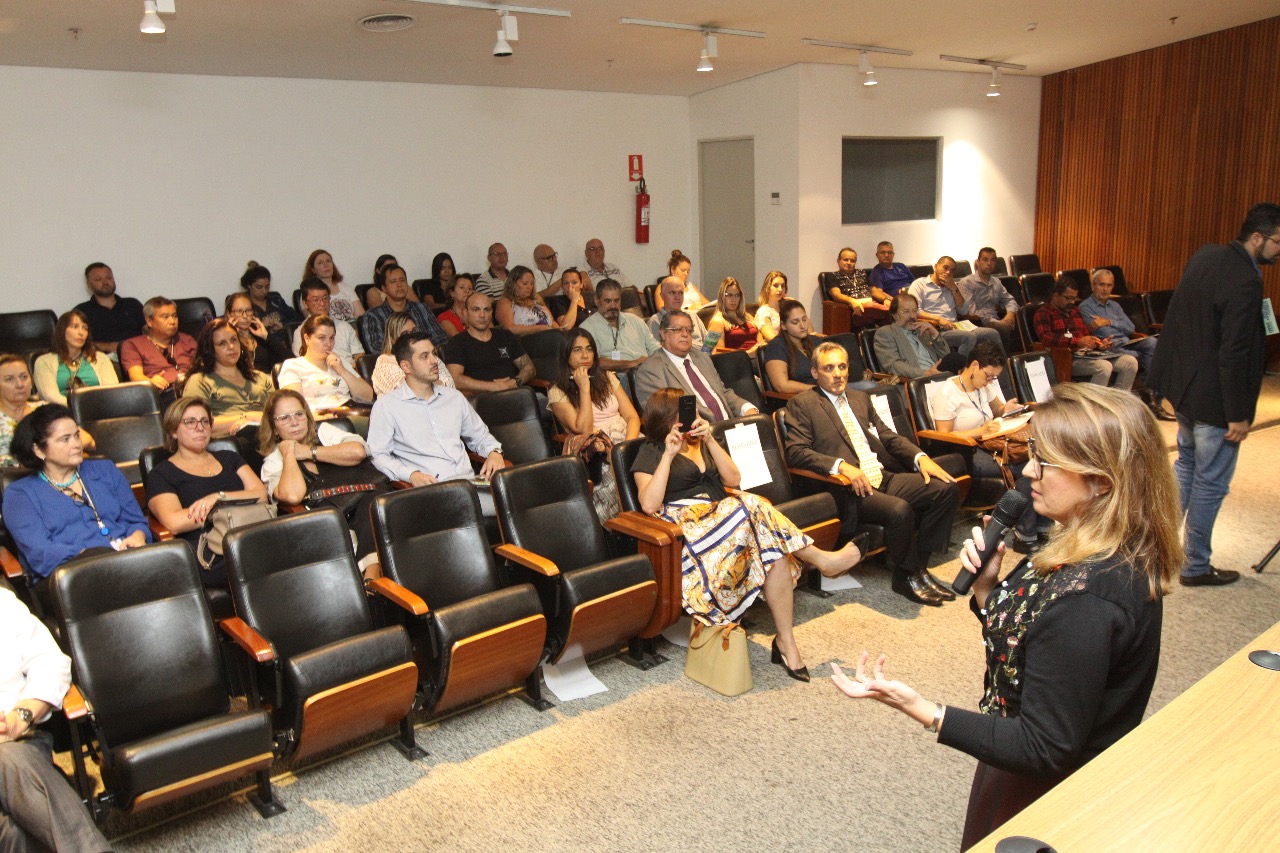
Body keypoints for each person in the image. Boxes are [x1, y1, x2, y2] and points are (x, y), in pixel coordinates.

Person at [831, 383, 1183, 848]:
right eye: (1032, 452)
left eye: (1047, 462)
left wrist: (920, 708)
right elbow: (1038, 644)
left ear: (1101, 481)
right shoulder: (1090, 544)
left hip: (1045, 793)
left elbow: (1041, 746)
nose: (1029, 470)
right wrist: (986, 589)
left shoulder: (1089, 599)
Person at [631, 387, 863, 681]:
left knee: (774, 554)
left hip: (726, 519)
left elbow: (734, 479)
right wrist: (668, 455)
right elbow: (649, 504)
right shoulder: (650, 450)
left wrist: (710, 439)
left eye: (692, 411)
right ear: (664, 418)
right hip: (688, 531)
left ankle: (786, 643)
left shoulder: (702, 443)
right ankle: (821, 560)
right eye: (683, 413)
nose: (691, 418)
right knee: (751, 503)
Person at [1149, 202, 1278, 587]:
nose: (1278, 250)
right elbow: (1235, 353)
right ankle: (1195, 565)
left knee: (1186, 467)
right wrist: (1238, 413)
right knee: (1211, 482)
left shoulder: (1207, 255)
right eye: (1276, 241)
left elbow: (1182, 321)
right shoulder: (1246, 280)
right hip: (1216, 401)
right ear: (1256, 238)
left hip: (1186, 391)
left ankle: (1159, 549)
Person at [784, 342, 961, 606]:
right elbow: (796, 452)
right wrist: (841, 466)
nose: (837, 374)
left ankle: (917, 568)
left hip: (880, 474)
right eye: (829, 368)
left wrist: (920, 458)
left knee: (946, 488)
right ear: (814, 373)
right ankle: (905, 577)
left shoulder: (859, 398)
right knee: (900, 510)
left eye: (842, 366)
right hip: (847, 488)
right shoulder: (803, 404)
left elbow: (887, 437)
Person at [0, 585, 113, 853]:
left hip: (19, 744)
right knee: (11, 834)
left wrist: (21, 716)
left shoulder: (3, 604)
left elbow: (53, 663)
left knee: (8, 758)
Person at [4, 404, 150, 590]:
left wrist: (137, 536)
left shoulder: (104, 470)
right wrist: (93, 555)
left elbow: (136, 520)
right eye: (65, 439)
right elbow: (41, 553)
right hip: (69, 576)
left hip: (127, 559)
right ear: (39, 450)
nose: (76, 444)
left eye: (76, 435)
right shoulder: (20, 494)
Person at [928, 342, 1047, 553]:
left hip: (990, 443)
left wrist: (1007, 410)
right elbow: (943, 436)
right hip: (964, 452)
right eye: (989, 376)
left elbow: (998, 409)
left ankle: (1042, 525)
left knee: (1036, 461)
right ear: (974, 365)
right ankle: (1025, 535)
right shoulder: (948, 393)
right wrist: (980, 431)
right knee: (1023, 470)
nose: (991, 381)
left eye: (994, 378)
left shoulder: (983, 386)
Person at [369, 331, 506, 515]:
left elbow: (480, 436)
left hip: (470, 485)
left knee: (523, 501)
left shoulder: (454, 397)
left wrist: (494, 452)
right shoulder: (387, 406)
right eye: (424, 356)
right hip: (431, 493)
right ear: (406, 366)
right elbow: (378, 454)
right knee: (513, 510)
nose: (434, 361)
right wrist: (410, 475)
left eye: (434, 353)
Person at [258, 389, 386, 578]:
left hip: (366, 501)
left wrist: (309, 452)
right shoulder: (274, 461)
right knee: (373, 507)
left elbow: (357, 452)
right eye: (284, 418)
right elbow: (293, 496)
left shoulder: (324, 432)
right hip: (333, 519)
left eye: (299, 414)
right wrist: (289, 453)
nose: (294, 422)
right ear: (274, 426)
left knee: (375, 504)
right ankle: (373, 580)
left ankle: (372, 579)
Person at [146, 398, 268, 588]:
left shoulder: (229, 457)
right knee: (268, 561)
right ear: (173, 431)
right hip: (209, 548)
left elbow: (260, 494)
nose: (200, 427)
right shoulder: (161, 474)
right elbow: (175, 522)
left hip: (250, 533)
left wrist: (217, 499)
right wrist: (222, 510)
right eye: (190, 422)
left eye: (205, 421)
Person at [634, 311, 758, 423]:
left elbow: (722, 392)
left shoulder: (702, 358)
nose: (685, 334)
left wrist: (746, 408)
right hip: (694, 437)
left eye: (689, 330)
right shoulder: (650, 370)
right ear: (663, 333)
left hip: (730, 427)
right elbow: (662, 416)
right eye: (677, 329)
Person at [1079, 268, 1170, 419]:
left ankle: (1152, 393)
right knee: (1136, 356)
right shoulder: (1085, 307)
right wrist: (1116, 325)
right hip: (1109, 345)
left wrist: (1108, 321)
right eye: (1101, 285)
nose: (1105, 289)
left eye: (1109, 285)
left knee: (1152, 343)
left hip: (1127, 341)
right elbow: (1101, 332)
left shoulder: (1115, 306)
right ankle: (1148, 399)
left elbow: (1130, 327)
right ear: (1093, 285)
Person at [1034, 280, 1138, 389]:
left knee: (1130, 362)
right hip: (1067, 359)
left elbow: (1086, 334)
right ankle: (1093, 405)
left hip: (1087, 355)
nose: (1072, 302)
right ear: (1056, 295)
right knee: (1104, 367)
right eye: (1068, 298)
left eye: (1074, 298)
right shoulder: (1044, 313)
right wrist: (1077, 341)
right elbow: (1046, 338)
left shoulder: (1075, 311)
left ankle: (1119, 403)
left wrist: (1099, 343)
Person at [182, 318, 274, 437]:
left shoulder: (259, 377)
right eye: (222, 343)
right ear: (209, 349)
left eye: (234, 340)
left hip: (269, 437)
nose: (231, 346)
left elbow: (279, 413)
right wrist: (246, 419)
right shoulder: (200, 381)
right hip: (231, 443)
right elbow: (195, 425)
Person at [908, 256, 1005, 357]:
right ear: (936, 267)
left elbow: (963, 311)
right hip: (935, 329)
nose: (948, 272)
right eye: (945, 268)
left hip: (955, 327)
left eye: (952, 270)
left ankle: (1004, 372)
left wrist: (954, 288)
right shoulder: (920, 284)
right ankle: (961, 368)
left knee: (992, 333)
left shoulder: (952, 286)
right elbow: (914, 310)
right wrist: (939, 319)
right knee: (968, 337)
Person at [279, 316, 374, 416]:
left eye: (332, 338)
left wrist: (342, 371)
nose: (329, 344)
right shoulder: (293, 366)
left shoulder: (339, 362)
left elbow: (367, 396)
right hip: (320, 418)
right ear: (307, 338)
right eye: (322, 338)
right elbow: (294, 407)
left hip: (349, 411)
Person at [445, 292, 535, 396]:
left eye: (487, 310)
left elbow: (529, 368)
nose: (482, 315)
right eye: (476, 309)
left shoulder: (505, 336)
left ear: (491, 313)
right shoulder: (457, 343)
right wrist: (492, 387)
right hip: (482, 401)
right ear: (466, 313)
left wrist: (514, 383)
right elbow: (455, 379)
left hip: (517, 394)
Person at [119, 297, 198, 405]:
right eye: (165, 317)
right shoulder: (132, 345)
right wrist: (150, 382)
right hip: (161, 396)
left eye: (174, 316)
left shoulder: (186, 340)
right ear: (149, 321)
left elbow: (204, 366)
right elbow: (136, 376)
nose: (172, 321)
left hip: (193, 390)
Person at [33, 309, 120, 405]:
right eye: (75, 327)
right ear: (62, 330)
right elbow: (50, 396)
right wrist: (79, 408)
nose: (81, 333)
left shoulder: (101, 358)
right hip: (61, 413)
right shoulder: (44, 362)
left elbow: (112, 392)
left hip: (98, 411)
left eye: (85, 328)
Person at [873, 293, 966, 379]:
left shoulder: (922, 330)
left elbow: (945, 355)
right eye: (906, 311)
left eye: (914, 311)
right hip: (916, 380)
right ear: (894, 315)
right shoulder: (886, 333)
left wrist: (935, 335)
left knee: (957, 359)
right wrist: (925, 373)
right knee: (956, 359)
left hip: (938, 374)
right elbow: (893, 365)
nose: (912, 316)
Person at [360, 264, 448, 353]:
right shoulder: (373, 315)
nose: (399, 285)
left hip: (427, 359)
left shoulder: (421, 308)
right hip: (395, 363)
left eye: (402, 280)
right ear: (384, 288)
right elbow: (376, 348)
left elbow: (440, 337)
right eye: (393, 281)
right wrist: (410, 354)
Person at [580, 278, 660, 371]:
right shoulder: (587, 328)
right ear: (596, 301)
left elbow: (655, 347)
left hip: (647, 371)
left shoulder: (635, 321)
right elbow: (593, 361)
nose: (613, 306)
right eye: (608, 301)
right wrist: (631, 364)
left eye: (616, 301)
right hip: (616, 377)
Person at [371, 312, 456, 398]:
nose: (412, 336)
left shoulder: (432, 357)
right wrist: (435, 384)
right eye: (405, 334)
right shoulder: (385, 361)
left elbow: (450, 387)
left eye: (414, 331)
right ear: (392, 339)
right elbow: (404, 392)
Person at [957, 247, 1020, 353]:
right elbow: (971, 312)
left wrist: (1010, 315)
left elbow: (1010, 300)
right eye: (985, 260)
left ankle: (1020, 361)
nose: (989, 263)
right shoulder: (967, 283)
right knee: (1002, 329)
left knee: (1019, 322)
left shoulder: (996, 282)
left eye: (993, 260)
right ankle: (1006, 364)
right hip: (976, 321)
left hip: (995, 320)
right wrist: (998, 322)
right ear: (978, 262)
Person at [74, 261, 144, 356]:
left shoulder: (132, 304)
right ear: (89, 285)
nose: (105, 282)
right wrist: (108, 346)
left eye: (109, 278)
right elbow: (75, 342)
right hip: (102, 359)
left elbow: (150, 330)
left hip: (138, 355)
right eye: (98, 279)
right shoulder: (81, 311)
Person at [292, 278, 365, 364]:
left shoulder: (344, 326)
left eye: (325, 298)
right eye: (316, 300)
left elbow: (359, 354)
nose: (322, 304)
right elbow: (303, 364)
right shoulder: (301, 332)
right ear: (305, 303)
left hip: (350, 371)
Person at [763, 299, 823, 394]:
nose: (803, 326)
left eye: (804, 319)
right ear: (783, 325)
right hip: (798, 399)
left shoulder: (816, 341)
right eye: (795, 322)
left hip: (824, 393)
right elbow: (782, 385)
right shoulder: (776, 346)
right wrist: (817, 390)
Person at [823, 247, 892, 328]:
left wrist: (885, 299)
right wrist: (851, 301)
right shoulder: (833, 276)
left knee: (891, 314)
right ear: (838, 261)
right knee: (882, 310)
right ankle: (885, 310)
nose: (849, 263)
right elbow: (836, 295)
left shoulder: (861, 273)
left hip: (870, 305)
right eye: (846, 260)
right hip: (853, 309)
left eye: (852, 261)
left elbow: (873, 291)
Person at [224, 291, 292, 372]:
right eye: (239, 311)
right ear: (229, 314)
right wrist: (229, 336)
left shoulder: (261, 335)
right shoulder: (225, 339)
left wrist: (267, 337)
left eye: (248, 310)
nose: (245, 316)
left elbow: (292, 361)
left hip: (267, 381)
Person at [240, 262, 302, 344]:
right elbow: (239, 331)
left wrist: (284, 325)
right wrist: (260, 326)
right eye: (259, 287)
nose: (264, 291)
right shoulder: (242, 304)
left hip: (284, 343)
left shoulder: (276, 300)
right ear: (249, 285)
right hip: (261, 346)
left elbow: (298, 318)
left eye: (267, 287)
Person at [647, 276, 710, 349]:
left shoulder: (693, 316)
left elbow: (708, 345)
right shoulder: (655, 321)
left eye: (680, 293)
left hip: (702, 357)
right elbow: (656, 352)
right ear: (662, 296)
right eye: (672, 293)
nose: (677, 297)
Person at [302, 248, 362, 321]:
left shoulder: (345, 287)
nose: (326, 265)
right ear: (313, 269)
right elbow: (313, 321)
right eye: (320, 263)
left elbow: (361, 315)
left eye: (328, 261)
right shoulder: (308, 292)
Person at [496, 265, 558, 335]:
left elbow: (552, 322)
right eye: (525, 283)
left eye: (531, 283)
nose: (529, 287)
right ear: (513, 284)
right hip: (524, 340)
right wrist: (539, 328)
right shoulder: (505, 302)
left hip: (550, 337)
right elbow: (509, 328)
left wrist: (560, 330)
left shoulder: (537, 300)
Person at [706, 277, 761, 353]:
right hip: (737, 362)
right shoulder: (717, 322)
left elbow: (761, 344)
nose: (733, 299)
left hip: (758, 360)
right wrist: (749, 353)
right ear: (722, 297)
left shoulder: (749, 318)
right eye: (729, 295)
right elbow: (712, 352)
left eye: (737, 295)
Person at [755, 270, 797, 343]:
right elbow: (772, 339)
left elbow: (809, 330)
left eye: (783, 286)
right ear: (767, 288)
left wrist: (795, 305)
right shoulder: (764, 312)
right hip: (778, 350)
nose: (780, 289)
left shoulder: (787, 309)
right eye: (776, 286)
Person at [437, 273, 475, 337]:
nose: (467, 291)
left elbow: (491, 333)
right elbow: (460, 342)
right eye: (462, 287)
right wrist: (468, 324)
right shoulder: (444, 318)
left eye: (470, 288)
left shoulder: (479, 312)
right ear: (452, 293)